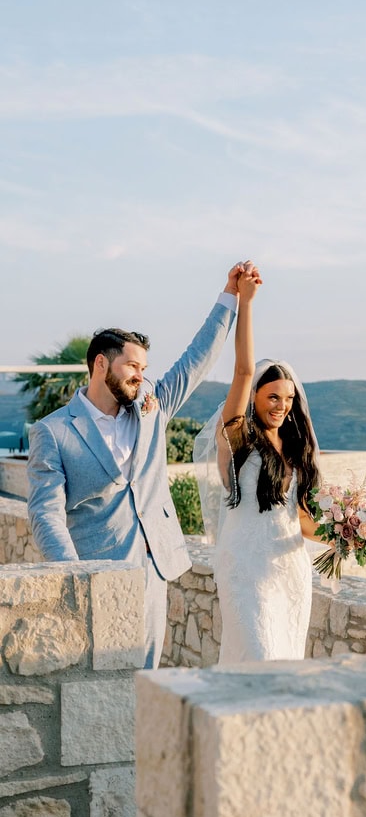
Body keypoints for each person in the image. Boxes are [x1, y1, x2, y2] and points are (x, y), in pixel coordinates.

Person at [27, 261, 258, 669]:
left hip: (153, 570)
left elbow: (196, 360)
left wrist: (230, 296)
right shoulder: (54, 431)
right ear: (101, 363)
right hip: (97, 575)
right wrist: (76, 576)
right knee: (98, 684)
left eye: (144, 369)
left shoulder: (151, 409)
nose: (140, 376)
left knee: (146, 679)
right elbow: (45, 514)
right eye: (132, 366)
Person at [194, 269, 321, 664]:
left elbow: (298, 519)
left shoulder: (295, 449)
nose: (281, 405)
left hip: (289, 572)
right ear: (254, 398)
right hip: (245, 571)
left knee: (283, 665)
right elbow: (243, 371)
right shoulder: (237, 439)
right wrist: (245, 303)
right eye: (272, 397)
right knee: (259, 658)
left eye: (287, 398)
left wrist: (348, 534)